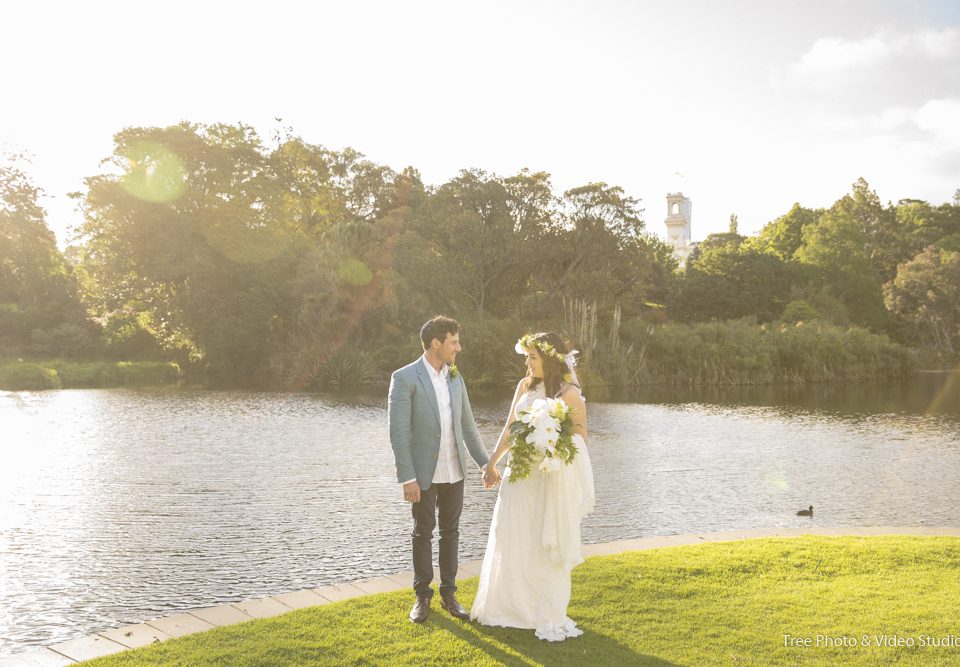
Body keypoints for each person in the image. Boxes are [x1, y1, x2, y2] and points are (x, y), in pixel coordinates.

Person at [470, 331, 596, 641]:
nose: (527, 362)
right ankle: (507, 606)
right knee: (511, 533)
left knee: (540, 539)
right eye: (527, 356)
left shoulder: (569, 393)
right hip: (519, 475)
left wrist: (552, 441)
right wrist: (492, 462)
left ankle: (539, 609)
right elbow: (511, 428)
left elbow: (581, 436)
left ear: (549, 359)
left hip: (547, 477)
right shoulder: (524, 386)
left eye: (533, 357)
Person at [387, 315, 499, 623]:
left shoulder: (455, 377)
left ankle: (449, 594)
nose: (458, 348)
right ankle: (423, 597)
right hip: (423, 474)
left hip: (455, 472)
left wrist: (485, 464)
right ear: (436, 343)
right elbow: (398, 432)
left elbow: (468, 426)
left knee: (451, 533)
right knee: (423, 533)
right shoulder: (405, 377)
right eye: (454, 342)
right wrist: (407, 477)